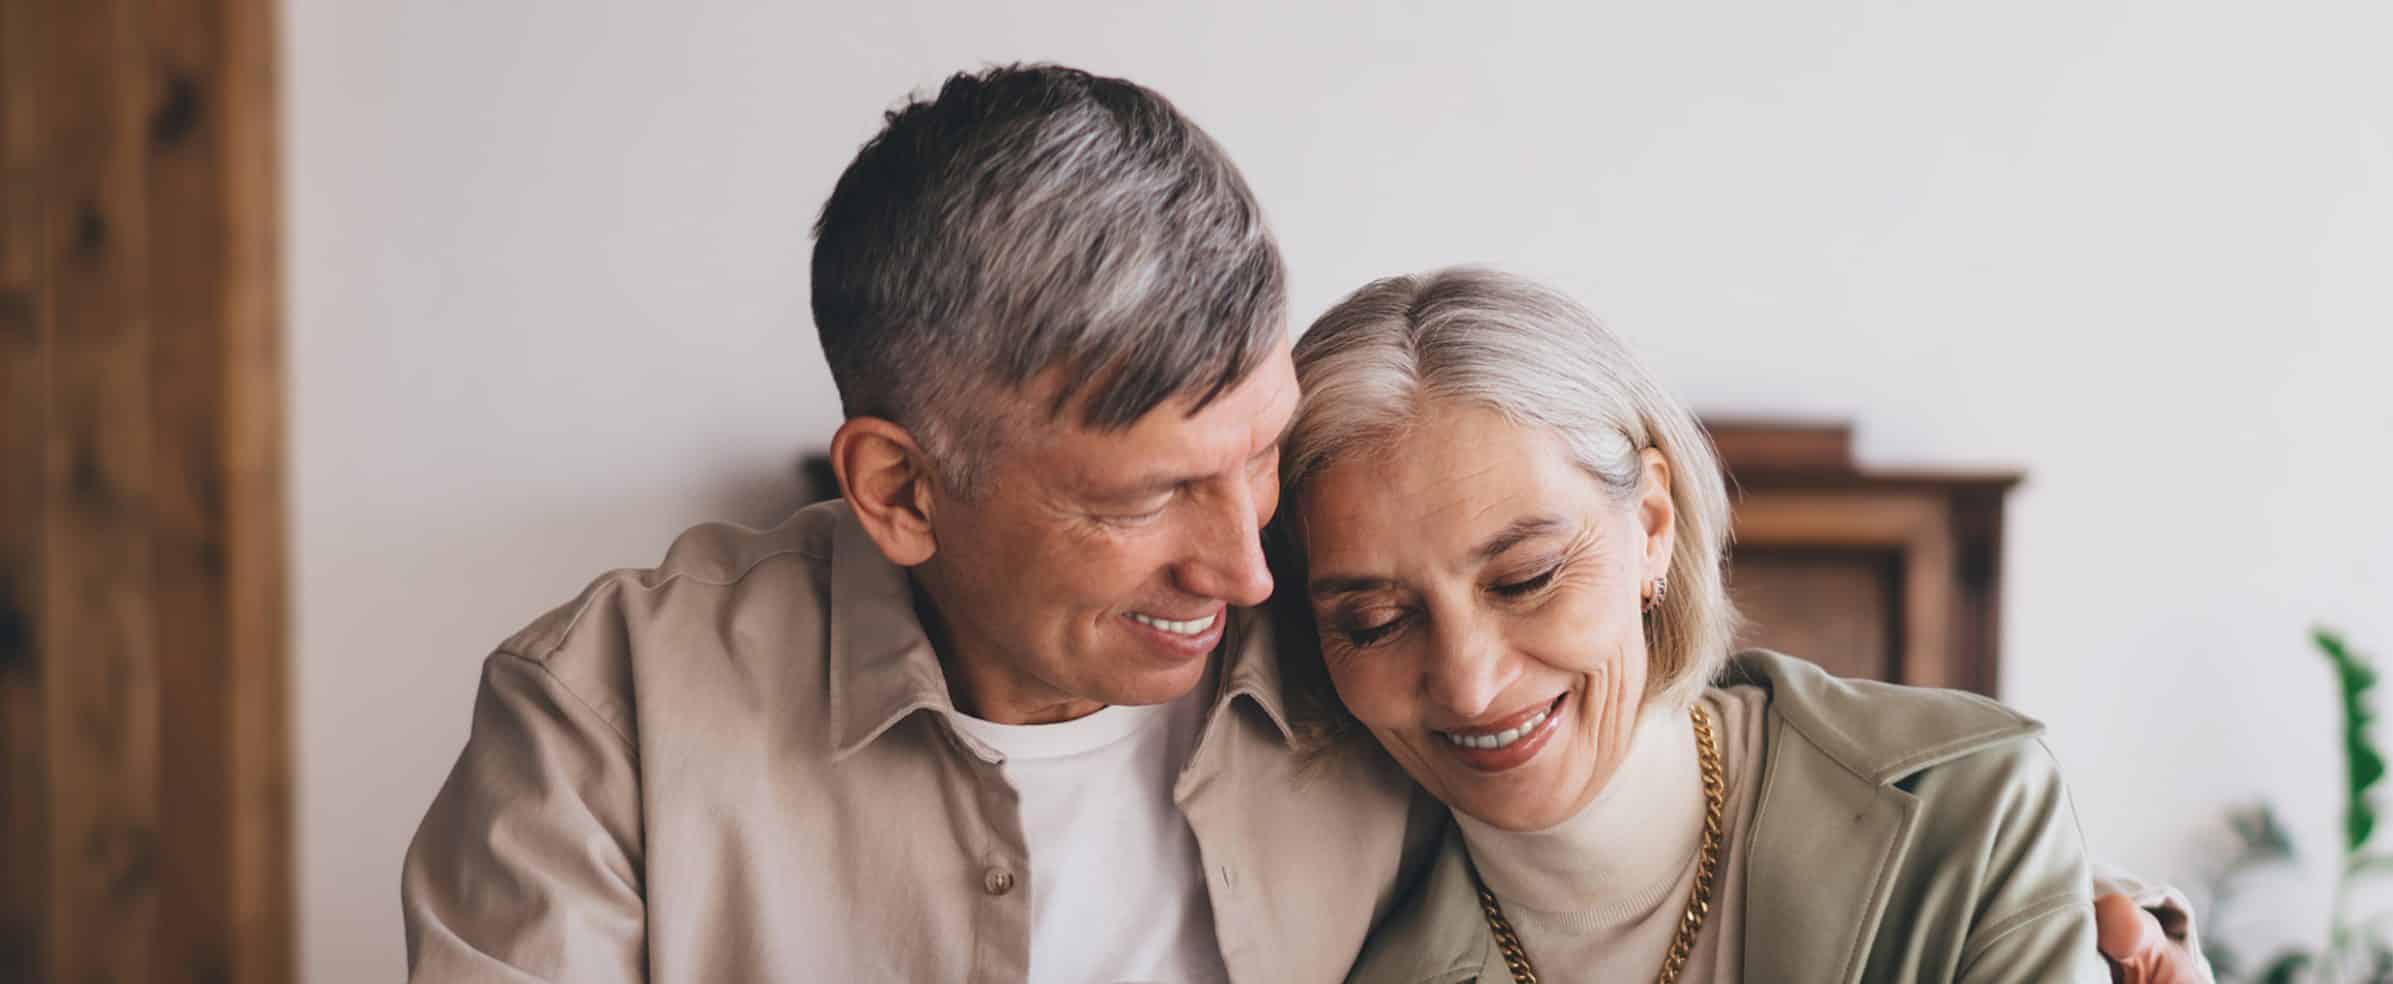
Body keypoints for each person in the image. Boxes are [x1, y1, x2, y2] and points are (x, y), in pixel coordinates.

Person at [400, 64, 2208, 983]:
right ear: (896, 488)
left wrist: (2062, 900)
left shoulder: (1346, 651)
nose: (1247, 568)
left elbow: (1719, 732)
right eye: (1143, 500)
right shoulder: (612, 720)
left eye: (1256, 461)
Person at [1274, 267, 2189, 982]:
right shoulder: (1328, 943)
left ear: (1653, 529)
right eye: (1376, 621)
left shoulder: (1968, 813)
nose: (1469, 682)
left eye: (1526, 579)